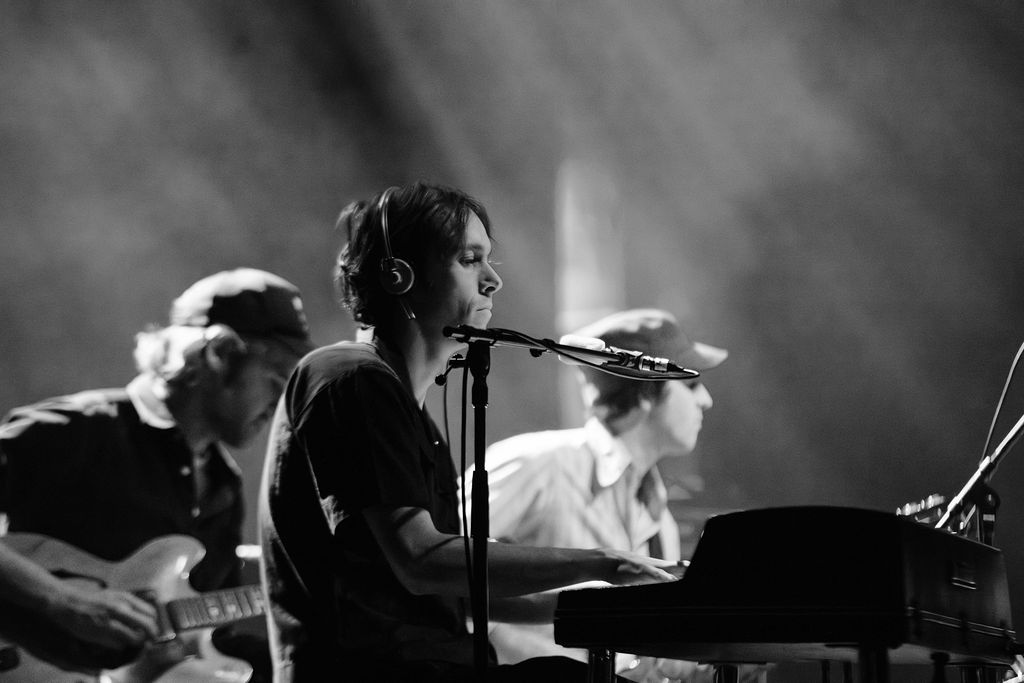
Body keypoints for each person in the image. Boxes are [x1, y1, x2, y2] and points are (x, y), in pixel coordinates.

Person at [258, 181, 680, 683]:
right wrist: (602, 562)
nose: (493, 280)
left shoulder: (405, 407)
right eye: (470, 259)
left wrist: (618, 603)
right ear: (398, 275)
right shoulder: (349, 377)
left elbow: (458, 592)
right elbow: (421, 561)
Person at [0, 267, 314, 675]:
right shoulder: (78, 428)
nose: (282, 403)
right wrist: (60, 599)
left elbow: (205, 640)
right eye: (277, 380)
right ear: (219, 354)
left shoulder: (224, 486)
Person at [476, 308, 728, 682]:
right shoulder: (539, 464)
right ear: (646, 390)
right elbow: (442, 576)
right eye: (690, 384)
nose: (705, 399)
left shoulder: (659, 515)